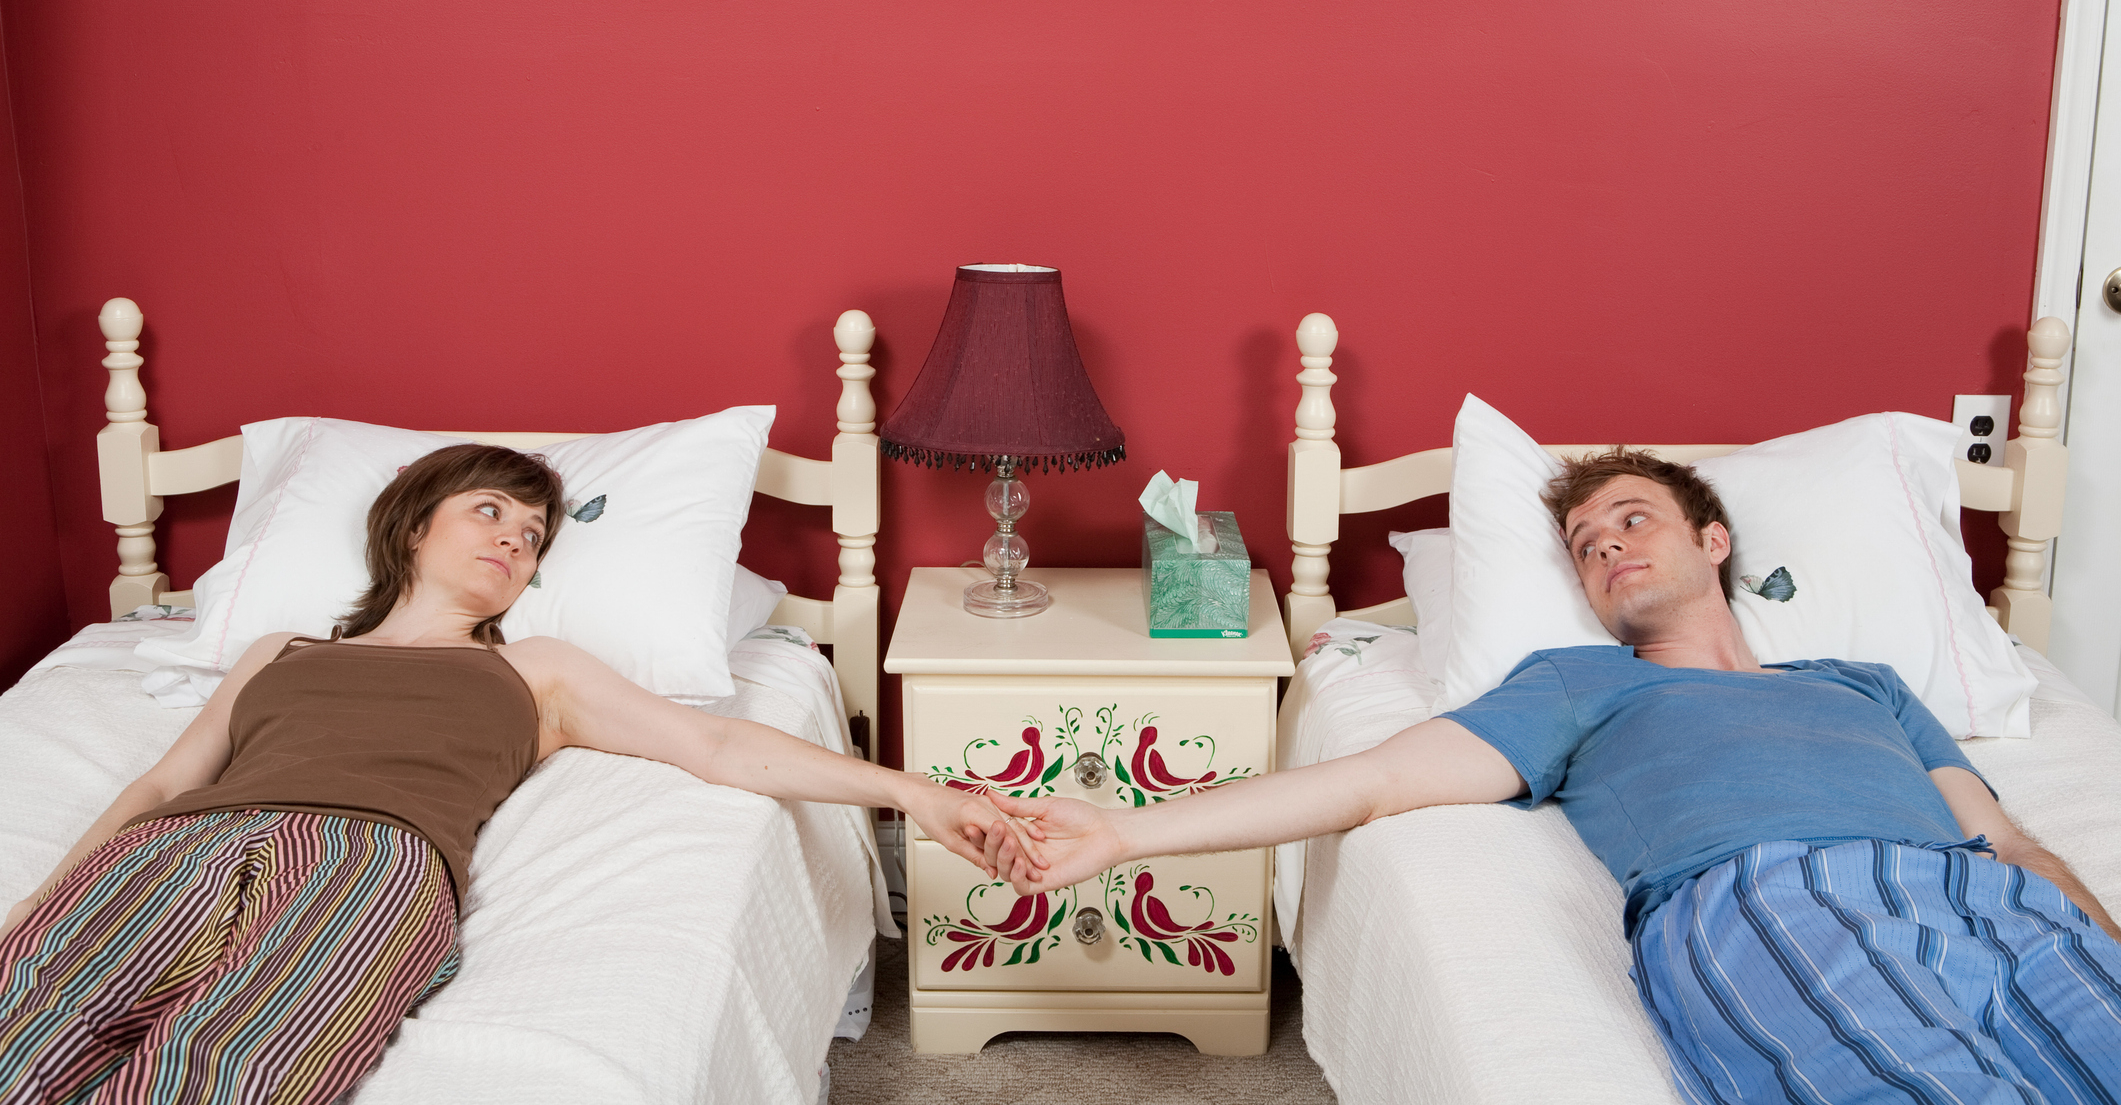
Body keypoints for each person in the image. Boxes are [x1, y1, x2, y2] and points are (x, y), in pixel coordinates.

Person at [982, 449, 2121, 1105]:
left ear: (1712, 542)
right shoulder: (1580, 682)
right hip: (1771, 893)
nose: (1609, 544)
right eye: (1585, 542)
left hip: (1978, 896)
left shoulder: (1863, 680)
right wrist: (1127, 835)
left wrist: (2091, 933)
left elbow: (2008, 844)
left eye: (1635, 518)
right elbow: (1377, 780)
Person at [0, 444, 1004, 1105]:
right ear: (411, 528)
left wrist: (917, 793)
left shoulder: (534, 670)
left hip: (371, 855)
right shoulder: (278, 650)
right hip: (182, 845)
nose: (512, 545)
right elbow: (161, 788)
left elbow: (724, 748)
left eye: (530, 539)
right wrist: (47, 903)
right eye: (488, 513)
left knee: (242, 1054)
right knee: (32, 1008)